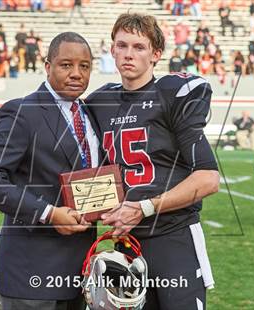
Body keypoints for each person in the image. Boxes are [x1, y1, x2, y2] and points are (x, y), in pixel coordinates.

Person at [86, 13, 219, 309]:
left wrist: (145, 207)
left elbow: (208, 179)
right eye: (122, 45)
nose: (128, 54)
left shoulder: (172, 95)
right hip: (127, 243)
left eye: (139, 47)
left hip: (174, 237)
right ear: (112, 50)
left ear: (156, 54)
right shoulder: (98, 103)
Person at [0, 32, 98, 309]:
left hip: (79, 274)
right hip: (31, 275)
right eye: (66, 65)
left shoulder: (90, 114)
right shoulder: (22, 112)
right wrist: (49, 214)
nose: (76, 73)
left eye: (84, 66)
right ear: (47, 65)